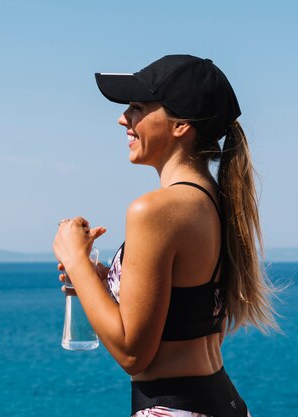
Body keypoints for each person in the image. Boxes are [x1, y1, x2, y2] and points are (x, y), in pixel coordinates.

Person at [53, 55, 279, 417]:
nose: (123, 118)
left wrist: (75, 257)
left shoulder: (154, 210)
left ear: (181, 125)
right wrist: (99, 283)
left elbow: (133, 352)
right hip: (223, 403)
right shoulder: (214, 202)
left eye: (138, 107)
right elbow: (191, 320)